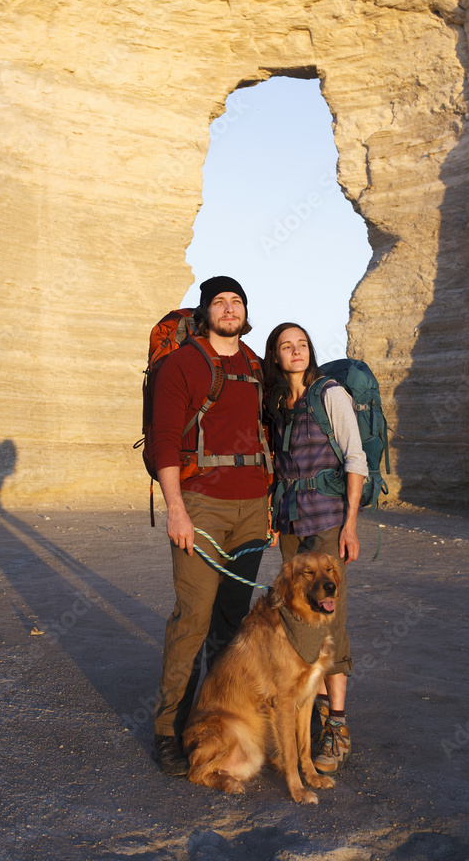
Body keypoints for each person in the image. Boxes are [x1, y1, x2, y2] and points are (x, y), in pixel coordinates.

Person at [151, 276, 273, 776]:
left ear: (245, 313)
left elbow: (272, 432)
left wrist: (269, 503)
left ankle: (217, 722)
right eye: (219, 302)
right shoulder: (183, 363)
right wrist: (175, 509)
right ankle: (166, 731)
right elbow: (162, 439)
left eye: (237, 301)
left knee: (232, 624)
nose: (229, 308)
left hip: (252, 507)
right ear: (205, 313)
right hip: (200, 506)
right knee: (192, 620)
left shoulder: (257, 367)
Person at [263, 322, 367, 776]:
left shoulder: (330, 395)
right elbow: (277, 466)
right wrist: (271, 513)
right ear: (276, 356)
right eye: (286, 346)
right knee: (297, 624)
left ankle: (336, 726)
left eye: (302, 344)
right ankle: (310, 717)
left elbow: (355, 457)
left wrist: (351, 524)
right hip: (290, 525)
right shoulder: (277, 405)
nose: (296, 351)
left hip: (327, 525)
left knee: (331, 621)